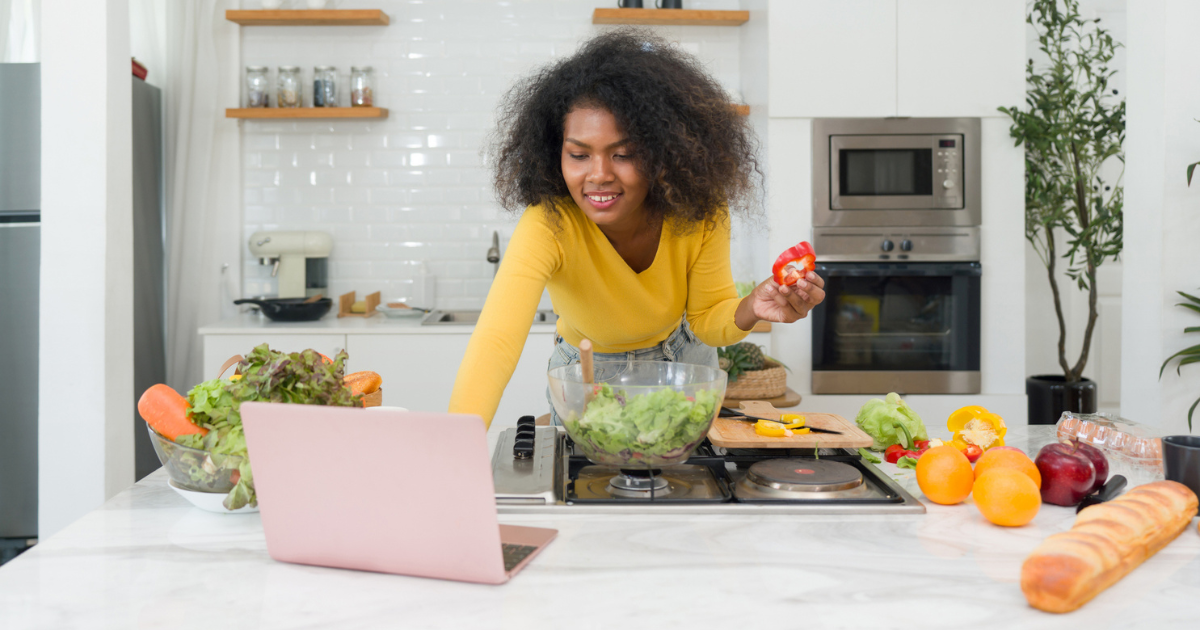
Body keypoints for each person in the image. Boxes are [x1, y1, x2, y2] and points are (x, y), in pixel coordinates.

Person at [448, 29, 825, 428]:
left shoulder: (698, 211)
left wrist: (752, 308)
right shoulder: (549, 224)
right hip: (589, 370)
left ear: (663, 152)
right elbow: (496, 340)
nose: (598, 175)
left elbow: (709, 320)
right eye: (578, 154)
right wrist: (455, 443)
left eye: (623, 154)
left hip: (685, 365)